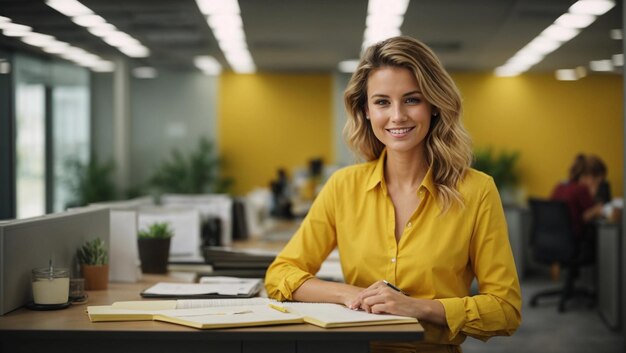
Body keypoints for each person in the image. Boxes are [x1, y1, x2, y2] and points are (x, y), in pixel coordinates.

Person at [264, 36, 521, 353]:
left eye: (412, 100)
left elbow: (505, 310)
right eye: (382, 102)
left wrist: (417, 307)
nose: (397, 116)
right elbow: (280, 275)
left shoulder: (476, 190)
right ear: (366, 111)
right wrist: (349, 294)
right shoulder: (343, 186)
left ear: (434, 105)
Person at [551, 154, 605, 240]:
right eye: (598, 181)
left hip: (552, 237)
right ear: (590, 177)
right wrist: (593, 192)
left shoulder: (560, 186)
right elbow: (591, 214)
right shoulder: (581, 189)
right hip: (572, 238)